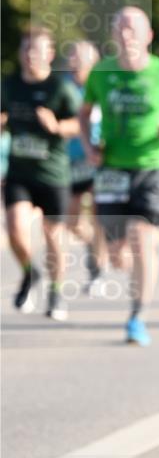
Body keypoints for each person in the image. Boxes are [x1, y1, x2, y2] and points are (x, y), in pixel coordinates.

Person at [79, 7, 159, 345]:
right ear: (113, 35)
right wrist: (89, 146)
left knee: (141, 237)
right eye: (119, 27)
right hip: (111, 169)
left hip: (151, 167)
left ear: (148, 36)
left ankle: (137, 316)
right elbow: (85, 111)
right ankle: (122, 269)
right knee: (118, 253)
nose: (126, 34)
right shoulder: (101, 73)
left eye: (133, 28)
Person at [1, 25, 81, 320]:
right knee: (15, 230)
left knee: (53, 237)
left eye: (36, 50)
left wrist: (57, 126)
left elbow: (77, 124)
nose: (30, 55)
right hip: (20, 172)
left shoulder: (60, 89)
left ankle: (56, 292)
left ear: (49, 54)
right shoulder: (9, 86)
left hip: (53, 174)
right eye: (25, 49)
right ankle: (29, 273)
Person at [65, 40, 107, 289]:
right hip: (69, 161)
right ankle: (96, 248)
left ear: (93, 63)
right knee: (71, 222)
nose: (72, 64)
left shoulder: (102, 87)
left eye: (78, 59)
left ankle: (97, 272)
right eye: (70, 59)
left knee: (98, 217)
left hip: (98, 160)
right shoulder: (63, 88)